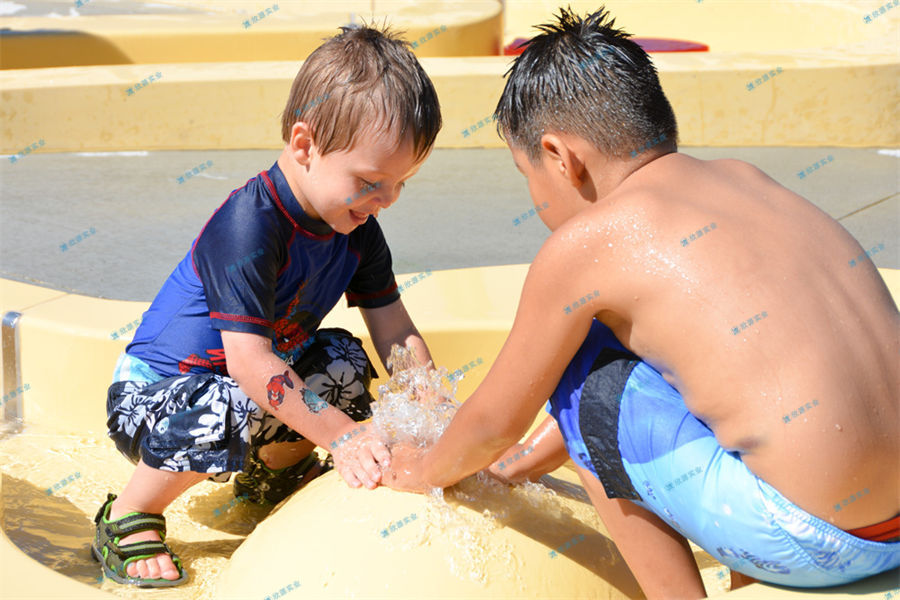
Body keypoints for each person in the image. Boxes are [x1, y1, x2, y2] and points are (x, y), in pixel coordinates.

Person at [383, 8, 900, 599]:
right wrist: (522, 465)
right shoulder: (747, 179)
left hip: (817, 541)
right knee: (659, 350)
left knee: (585, 373)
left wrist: (422, 469)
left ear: (560, 156)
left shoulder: (589, 243)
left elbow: (497, 420)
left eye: (525, 172)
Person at [92, 24, 441, 587]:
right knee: (239, 395)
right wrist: (345, 437)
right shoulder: (248, 224)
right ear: (304, 146)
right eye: (372, 181)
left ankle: (271, 476)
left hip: (248, 387)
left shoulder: (357, 228)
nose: (386, 200)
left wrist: (434, 415)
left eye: (401, 184)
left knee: (344, 362)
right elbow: (250, 365)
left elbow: (395, 330)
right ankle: (132, 514)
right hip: (155, 401)